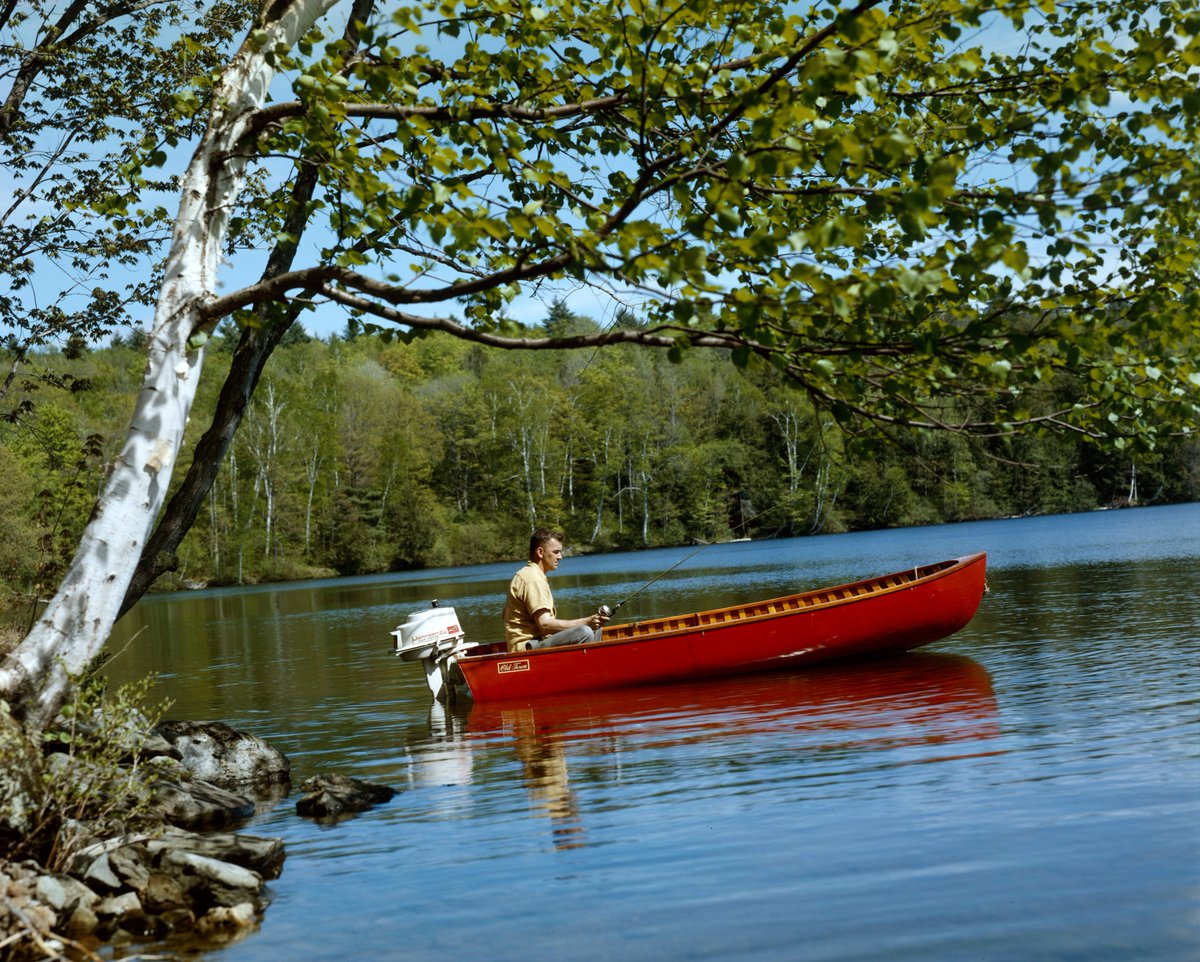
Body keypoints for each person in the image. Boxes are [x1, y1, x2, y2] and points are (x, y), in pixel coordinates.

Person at [503, 528, 609, 652]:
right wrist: (586, 622)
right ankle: (583, 669)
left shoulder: (532, 575)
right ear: (540, 552)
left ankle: (589, 668)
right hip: (526, 648)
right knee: (584, 631)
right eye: (556, 552)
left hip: (539, 641)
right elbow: (545, 625)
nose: (560, 557)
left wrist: (591, 623)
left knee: (595, 629)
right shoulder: (532, 579)